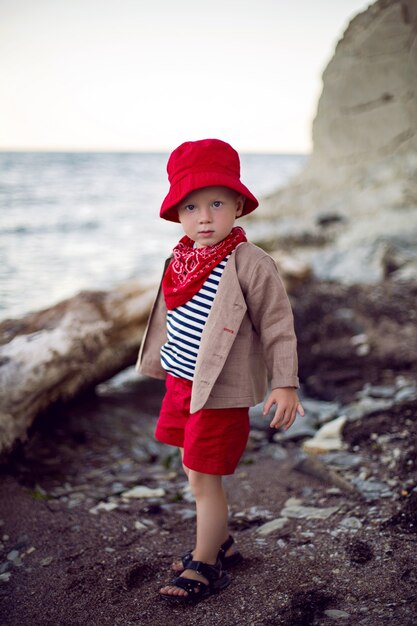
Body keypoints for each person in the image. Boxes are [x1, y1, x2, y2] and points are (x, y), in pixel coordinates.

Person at [136, 138, 304, 604]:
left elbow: (277, 325)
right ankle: (222, 542)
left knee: (205, 475)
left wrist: (285, 383)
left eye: (215, 203)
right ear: (177, 214)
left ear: (237, 205)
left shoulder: (250, 262)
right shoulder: (180, 259)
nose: (204, 217)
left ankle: (206, 561)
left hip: (220, 391)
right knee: (194, 470)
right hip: (181, 381)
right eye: (190, 207)